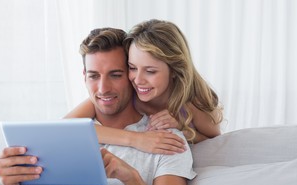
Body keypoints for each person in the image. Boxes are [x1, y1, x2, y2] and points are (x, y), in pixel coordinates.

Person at [0, 27, 196, 185]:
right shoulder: (62, 136)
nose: (103, 88)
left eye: (115, 75)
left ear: (131, 75)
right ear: (84, 76)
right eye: (93, 76)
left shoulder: (165, 140)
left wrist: (132, 179)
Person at [66, 19, 223, 148]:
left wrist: (182, 128)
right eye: (132, 68)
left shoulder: (193, 101)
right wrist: (136, 139)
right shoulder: (128, 92)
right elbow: (67, 128)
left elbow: (215, 141)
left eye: (150, 71)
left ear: (175, 70)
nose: (138, 80)